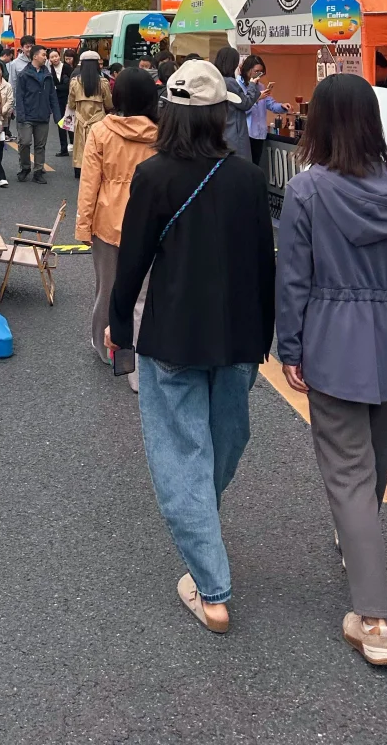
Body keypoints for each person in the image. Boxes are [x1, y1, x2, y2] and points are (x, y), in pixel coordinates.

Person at [276, 73, 387, 667]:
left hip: (331, 341)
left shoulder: (307, 191)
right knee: (372, 466)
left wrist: (290, 347)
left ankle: (373, 619)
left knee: (350, 475)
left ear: (320, 124)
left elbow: (293, 280)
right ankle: (357, 542)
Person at [106, 59, 275, 634]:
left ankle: (212, 588)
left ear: (170, 113)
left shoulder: (154, 176)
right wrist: (266, 334)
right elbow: (263, 263)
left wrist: (119, 327)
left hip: (174, 332)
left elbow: (133, 260)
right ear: (221, 115)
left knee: (183, 456)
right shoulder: (247, 178)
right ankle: (206, 549)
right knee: (223, 444)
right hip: (238, 335)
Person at [76, 66, 159, 372]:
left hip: (107, 220)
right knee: (144, 294)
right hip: (150, 221)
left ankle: (103, 347)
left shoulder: (101, 131)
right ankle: (137, 353)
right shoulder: (161, 134)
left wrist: (83, 226)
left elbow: (89, 183)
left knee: (107, 288)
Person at [66, 51, 113, 180]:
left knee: (79, 146)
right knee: (98, 146)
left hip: (81, 119)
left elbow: (71, 104)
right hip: (98, 119)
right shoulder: (103, 82)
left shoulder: (75, 82)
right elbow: (109, 103)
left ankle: (79, 170)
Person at [15, 45, 58, 182]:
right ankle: (25, 167)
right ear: (35, 56)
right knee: (24, 142)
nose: (46, 58)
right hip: (27, 115)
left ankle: (38, 171)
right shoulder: (24, 74)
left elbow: (53, 96)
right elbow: (19, 97)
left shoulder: (48, 75)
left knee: (40, 146)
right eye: (43, 55)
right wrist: (21, 115)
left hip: (43, 115)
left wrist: (57, 116)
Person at [214, 44, 263, 160]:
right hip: (234, 132)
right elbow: (245, 103)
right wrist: (252, 85)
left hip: (222, 129)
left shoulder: (216, 80)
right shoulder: (230, 83)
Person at [239, 53, 288, 165]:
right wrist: (256, 99)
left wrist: (282, 106)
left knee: (255, 165)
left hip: (260, 133)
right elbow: (241, 109)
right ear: (247, 70)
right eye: (256, 71)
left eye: (261, 72)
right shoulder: (238, 86)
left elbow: (270, 103)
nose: (259, 75)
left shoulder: (260, 86)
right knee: (246, 166)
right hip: (246, 133)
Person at [49, 48, 72, 156]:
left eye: (56, 56)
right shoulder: (49, 70)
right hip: (57, 100)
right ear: (49, 59)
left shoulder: (67, 67)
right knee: (60, 122)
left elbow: (70, 85)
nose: (55, 59)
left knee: (70, 122)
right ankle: (64, 149)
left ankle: (73, 144)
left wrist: (57, 88)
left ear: (60, 56)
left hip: (68, 99)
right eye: (52, 57)